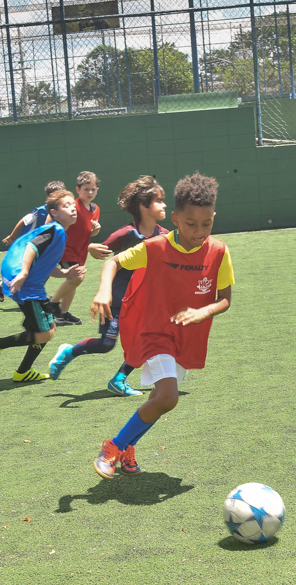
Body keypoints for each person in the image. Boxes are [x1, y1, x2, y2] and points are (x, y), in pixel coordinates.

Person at [89, 173, 233, 479]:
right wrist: (103, 290)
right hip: (155, 332)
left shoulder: (219, 251)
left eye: (206, 224)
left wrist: (203, 311)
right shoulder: (154, 248)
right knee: (168, 397)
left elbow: (224, 299)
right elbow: (112, 262)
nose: (199, 231)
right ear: (177, 218)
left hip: (188, 337)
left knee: (160, 401)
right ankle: (112, 447)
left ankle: (128, 447)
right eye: (191, 224)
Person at [47, 175, 168, 397]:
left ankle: (119, 380)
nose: (165, 205)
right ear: (143, 206)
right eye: (159, 200)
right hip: (116, 300)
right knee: (105, 345)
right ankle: (68, 352)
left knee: (149, 340)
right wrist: (92, 247)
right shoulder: (126, 233)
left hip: (143, 302)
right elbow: (101, 249)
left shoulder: (165, 236)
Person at [0, 190, 78, 382]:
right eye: (66, 206)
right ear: (55, 212)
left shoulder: (57, 233)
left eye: (73, 205)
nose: (73, 208)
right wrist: (24, 273)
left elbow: (46, 265)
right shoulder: (55, 230)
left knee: (46, 328)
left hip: (30, 287)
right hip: (28, 289)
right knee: (45, 333)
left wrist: (66, 273)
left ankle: (23, 372)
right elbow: (32, 247)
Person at [0, 180, 67, 302]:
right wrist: (12, 236)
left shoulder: (64, 211)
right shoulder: (40, 211)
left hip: (45, 247)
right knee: (29, 272)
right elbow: (23, 221)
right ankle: (3, 285)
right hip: (29, 246)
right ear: (48, 198)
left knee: (44, 270)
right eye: (55, 197)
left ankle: (35, 293)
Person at [48, 170, 103, 325]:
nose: (90, 192)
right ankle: (52, 304)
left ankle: (62, 314)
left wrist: (96, 230)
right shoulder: (72, 205)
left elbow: (89, 233)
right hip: (65, 250)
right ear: (78, 190)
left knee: (73, 280)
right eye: (86, 189)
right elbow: (51, 219)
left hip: (80, 251)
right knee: (76, 277)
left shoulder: (96, 209)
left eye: (93, 189)